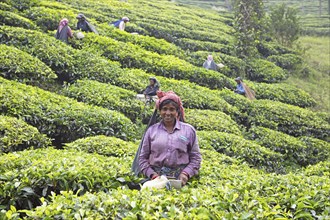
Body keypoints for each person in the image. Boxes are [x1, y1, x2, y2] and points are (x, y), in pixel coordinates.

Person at [138, 91, 202, 186]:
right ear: (160, 111)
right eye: (164, 109)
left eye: (172, 109)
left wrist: (186, 174)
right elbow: (142, 158)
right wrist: (153, 175)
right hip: (155, 179)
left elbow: (196, 157)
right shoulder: (151, 131)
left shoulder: (188, 131)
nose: (168, 113)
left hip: (181, 179)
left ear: (177, 112)